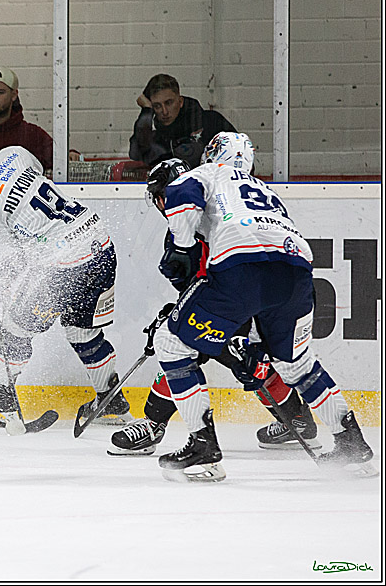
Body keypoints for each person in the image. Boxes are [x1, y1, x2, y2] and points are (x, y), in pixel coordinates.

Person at [151, 131, 375, 481]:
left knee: (170, 343)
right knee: (298, 364)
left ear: (213, 154)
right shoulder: (267, 191)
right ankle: (352, 445)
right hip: (297, 272)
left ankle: (202, 449)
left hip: (241, 268)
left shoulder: (209, 174)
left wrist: (179, 245)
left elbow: (181, 192)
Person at [109, 158, 319, 456]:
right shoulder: (213, 204)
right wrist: (178, 311)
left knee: (191, 347)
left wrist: (180, 316)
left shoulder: (192, 222)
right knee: (233, 357)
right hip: (256, 293)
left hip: (240, 298)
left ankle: (155, 423)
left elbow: (201, 279)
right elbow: (195, 285)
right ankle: (297, 419)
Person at [0, 140, 131, 428]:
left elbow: (5, 270)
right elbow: (37, 175)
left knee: (15, 327)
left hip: (63, 265)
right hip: (99, 244)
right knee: (82, 333)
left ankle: (2, 397)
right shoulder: (11, 154)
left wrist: (3, 304)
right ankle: (111, 401)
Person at [128, 73, 236, 168]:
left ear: (180, 102)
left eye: (169, 103)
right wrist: (146, 111)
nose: (164, 111)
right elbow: (136, 154)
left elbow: (240, 157)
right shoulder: (158, 138)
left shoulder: (211, 121)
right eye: (157, 106)